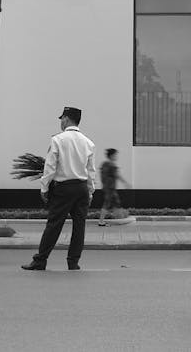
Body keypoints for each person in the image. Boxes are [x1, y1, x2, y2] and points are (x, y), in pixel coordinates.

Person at [21, 106, 96, 271]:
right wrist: (90, 191)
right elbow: (91, 171)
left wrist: (44, 187)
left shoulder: (58, 140)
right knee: (79, 226)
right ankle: (73, 262)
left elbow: (50, 167)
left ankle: (40, 260)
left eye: (62, 118)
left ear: (67, 119)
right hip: (82, 188)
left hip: (64, 188)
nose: (61, 122)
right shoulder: (88, 143)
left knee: (54, 224)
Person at [98, 148, 128, 226]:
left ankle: (120, 217)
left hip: (107, 187)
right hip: (110, 188)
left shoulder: (104, 164)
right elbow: (117, 175)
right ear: (111, 156)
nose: (116, 156)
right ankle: (101, 221)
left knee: (116, 202)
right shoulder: (112, 165)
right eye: (115, 155)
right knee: (107, 204)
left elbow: (102, 176)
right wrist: (125, 183)